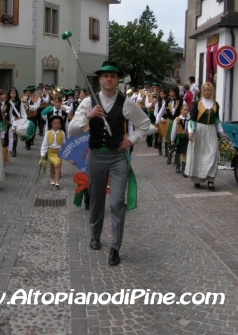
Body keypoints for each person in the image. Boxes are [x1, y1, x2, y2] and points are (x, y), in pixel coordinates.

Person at [69, 61, 151, 267]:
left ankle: (115, 247)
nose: (109, 79)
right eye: (105, 76)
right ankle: (95, 235)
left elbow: (145, 125)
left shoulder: (126, 102)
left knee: (116, 202)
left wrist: (131, 139)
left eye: (113, 76)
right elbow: (72, 130)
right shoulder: (89, 102)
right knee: (96, 201)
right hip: (95, 157)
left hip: (117, 159)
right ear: (99, 79)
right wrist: (87, 117)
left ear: (117, 80)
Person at [184, 82, 227, 192]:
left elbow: (217, 120)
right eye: (205, 90)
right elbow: (192, 119)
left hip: (211, 131)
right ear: (202, 91)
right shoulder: (198, 103)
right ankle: (198, 179)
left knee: (212, 153)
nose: (207, 92)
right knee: (199, 154)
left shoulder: (215, 104)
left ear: (212, 91)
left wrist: (222, 132)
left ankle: (211, 179)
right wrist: (190, 132)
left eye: (209, 90)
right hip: (200, 131)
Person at [157, 85, 182, 165]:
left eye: (172, 91)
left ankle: (177, 161)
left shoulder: (181, 101)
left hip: (178, 122)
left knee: (177, 141)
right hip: (170, 122)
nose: (170, 93)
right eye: (169, 91)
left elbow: (185, 110)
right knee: (169, 140)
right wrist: (158, 120)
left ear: (176, 92)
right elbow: (161, 111)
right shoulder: (167, 101)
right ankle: (169, 156)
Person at [40, 114, 66, 188]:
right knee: (51, 165)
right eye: (54, 123)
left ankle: (57, 181)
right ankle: (52, 178)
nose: (56, 125)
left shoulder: (62, 133)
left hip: (58, 152)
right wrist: (43, 154)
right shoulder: (48, 133)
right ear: (51, 123)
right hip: (51, 152)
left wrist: (64, 152)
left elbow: (64, 143)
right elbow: (44, 144)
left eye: (58, 123)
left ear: (60, 124)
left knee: (57, 165)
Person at [170, 104, 190, 176]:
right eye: (184, 110)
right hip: (179, 138)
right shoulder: (177, 119)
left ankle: (184, 169)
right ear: (181, 110)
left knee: (185, 153)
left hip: (186, 138)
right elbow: (174, 130)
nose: (186, 111)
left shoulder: (189, 119)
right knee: (178, 153)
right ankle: (178, 166)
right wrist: (172, 140)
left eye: (187, 110)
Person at [7, 87, 26, 157]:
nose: (13, 94)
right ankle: (9, 147)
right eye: (11, 93)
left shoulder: (19, 101)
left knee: (15, 134)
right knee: (9, 134)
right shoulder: (7, 101)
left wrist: (24, 119)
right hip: (9, 120)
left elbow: (22, 111)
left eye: (14, 93)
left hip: (17, 119)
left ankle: (14, 149)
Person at [0, 89, 10, 165]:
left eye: (5, 94)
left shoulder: (8, 104)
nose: (4, 95)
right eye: (2, 94)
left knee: (4, 143)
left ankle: (3, 162)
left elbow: (11, 115)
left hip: (5, 126)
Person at [153, 89, 167, 156]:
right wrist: (161, 119)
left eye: (163, 94)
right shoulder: (158, 103)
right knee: (160, 135)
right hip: (161, 121)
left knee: (166, 136)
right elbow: (156, 113)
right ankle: (160, 149)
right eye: (160, 94)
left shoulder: (167, 101)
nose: (162, 95)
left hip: (166, 120)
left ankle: (166, 150)